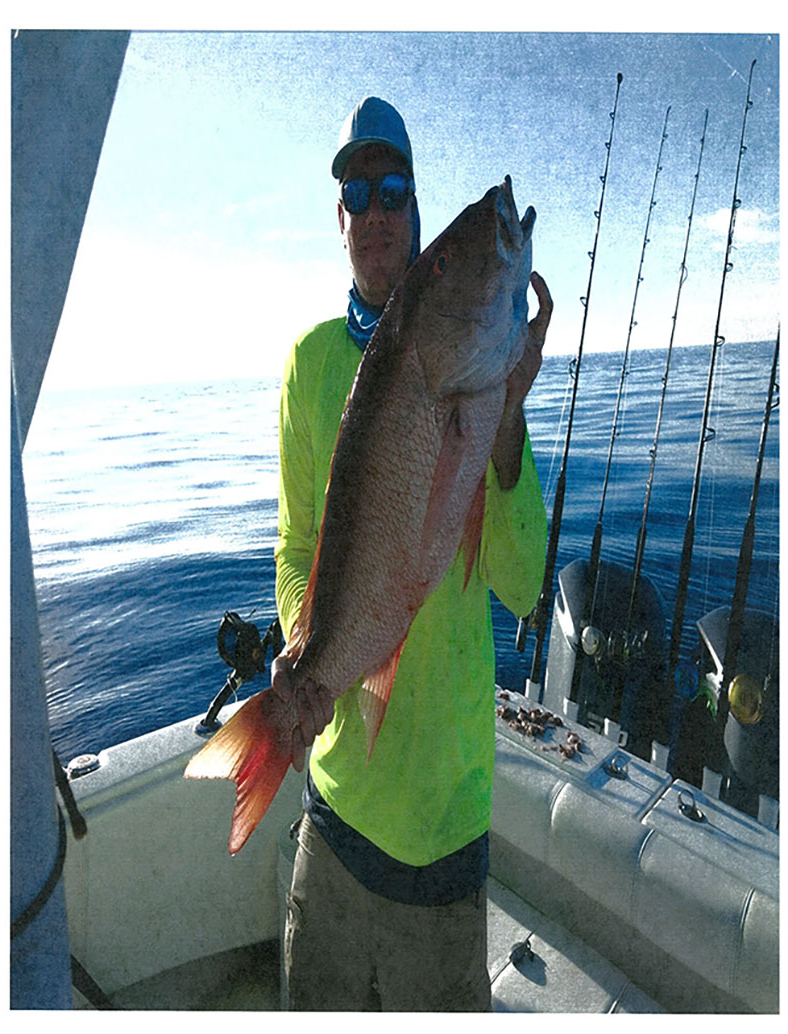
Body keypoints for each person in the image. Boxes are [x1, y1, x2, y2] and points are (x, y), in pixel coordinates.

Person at [273, 96, 552, 1011]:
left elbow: (520, 586)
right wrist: (304, 647)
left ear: (417, 217)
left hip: (443, 816)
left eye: (396, 190)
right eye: (360, 193)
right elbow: (297, 543)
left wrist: (506, 416)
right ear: (342, 219)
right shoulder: (311, 366)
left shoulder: (481, 388)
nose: (378, 209)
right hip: (333, 792)